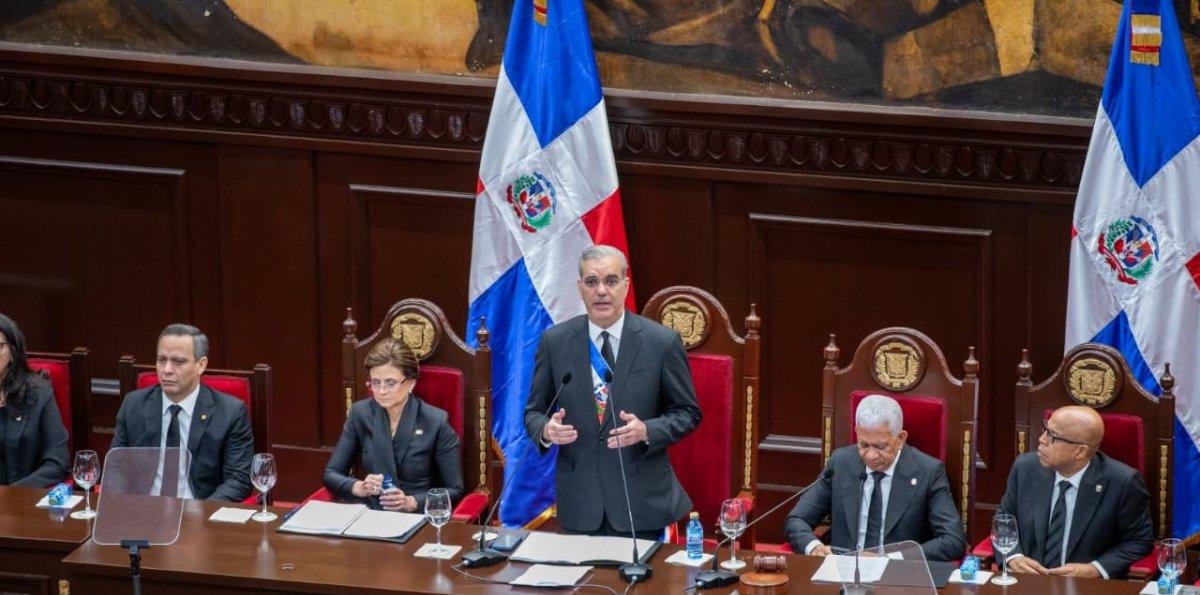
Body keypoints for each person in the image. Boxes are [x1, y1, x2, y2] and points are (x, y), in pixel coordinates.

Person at [524, 244, 702, 538]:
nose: (601, 291)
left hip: (641, 503)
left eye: (610, 281)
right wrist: (546, 430)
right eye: (592, 282)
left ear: (625, 285)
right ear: (580, 288)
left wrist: (647, 430)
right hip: (580, 503)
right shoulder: (555, 342)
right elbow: (533, 413)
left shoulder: (661, 342)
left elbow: (687, 412)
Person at [785, 394, 967, 562]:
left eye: (880, 446)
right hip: (842, 572)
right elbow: (797, 520)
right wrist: (814, 547)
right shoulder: (841, 462)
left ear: (901, 438)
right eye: (864, 444)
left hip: (897, 578)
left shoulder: (928, 472)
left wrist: (892, 558)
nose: (871, 456)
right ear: (857, 431)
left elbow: (953, 540)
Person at [997, 405, 1153, 579]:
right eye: (1045, 430)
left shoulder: (1123, 483)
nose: (1041, 439)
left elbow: (1140, 541)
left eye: (1052, 436)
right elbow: (1004, 520)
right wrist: (1013, 557)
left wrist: (1096, 569)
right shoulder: (1025, 468)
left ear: (1080, 451)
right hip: (1029, 583)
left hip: (1087, 588)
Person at [111, 324, 253, 501]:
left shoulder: (230, 412)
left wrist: (201, 515)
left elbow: (238, 480)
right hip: (144, 511)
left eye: (178, 362)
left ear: (200, 365)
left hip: (200, 513)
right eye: (162, 360)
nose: (167, 370)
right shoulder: (134, 404)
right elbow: (116, 467)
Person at [324, 337, 464, 511]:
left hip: (418, 518)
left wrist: (412, 502)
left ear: (411, 383)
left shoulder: (435, 421)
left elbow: (455, 490)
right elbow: (331, 474)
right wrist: (358, 487)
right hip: (370, 513)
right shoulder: (360, 414)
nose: (382, 391)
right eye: (375, 383)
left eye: (390, 383)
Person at [0, 314, 69, 487]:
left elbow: (57, 463)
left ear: (13, 353)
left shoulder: (38, 394)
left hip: (21, 503)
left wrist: (10, 496)